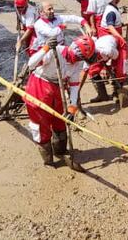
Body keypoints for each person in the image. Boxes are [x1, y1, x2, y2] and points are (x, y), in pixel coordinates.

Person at [23, 35, 96, 166]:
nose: (78, 61)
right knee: (41, 126)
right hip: (39, 86)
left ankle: (60, 151)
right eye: (78, 57)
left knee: (60, 121)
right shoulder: (54, 51)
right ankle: (48, 159)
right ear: (73, 49)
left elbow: (74, 85)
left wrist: (73, 107)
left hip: (57, 88)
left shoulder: (78, 63)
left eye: (82, 59)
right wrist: (45, 48)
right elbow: (31, 63)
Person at [85, 34, 128, 108]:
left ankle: (117, 93)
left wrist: (109, 68)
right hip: (104, 49)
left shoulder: (108, 50)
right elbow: (85, 71)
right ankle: (102, 95)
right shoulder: (87, 55)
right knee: (92, 71)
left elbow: (116, 57)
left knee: (120, 71)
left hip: (118, 47)